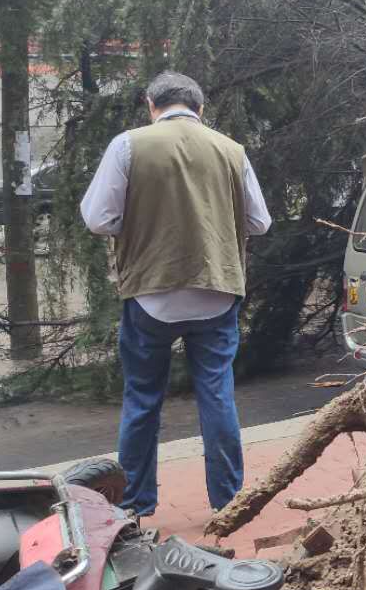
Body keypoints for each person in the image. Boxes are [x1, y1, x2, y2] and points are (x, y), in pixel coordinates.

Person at [81, 72, 271, 518]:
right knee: (217, 395)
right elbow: (260, 222)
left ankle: (134, 505)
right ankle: (229, 502)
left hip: (151, 292)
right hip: (217, 292)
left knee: (143, 399)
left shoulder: (128, 145)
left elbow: (97, 218)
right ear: (200, 108)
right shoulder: (231, 150)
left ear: (151, 104)